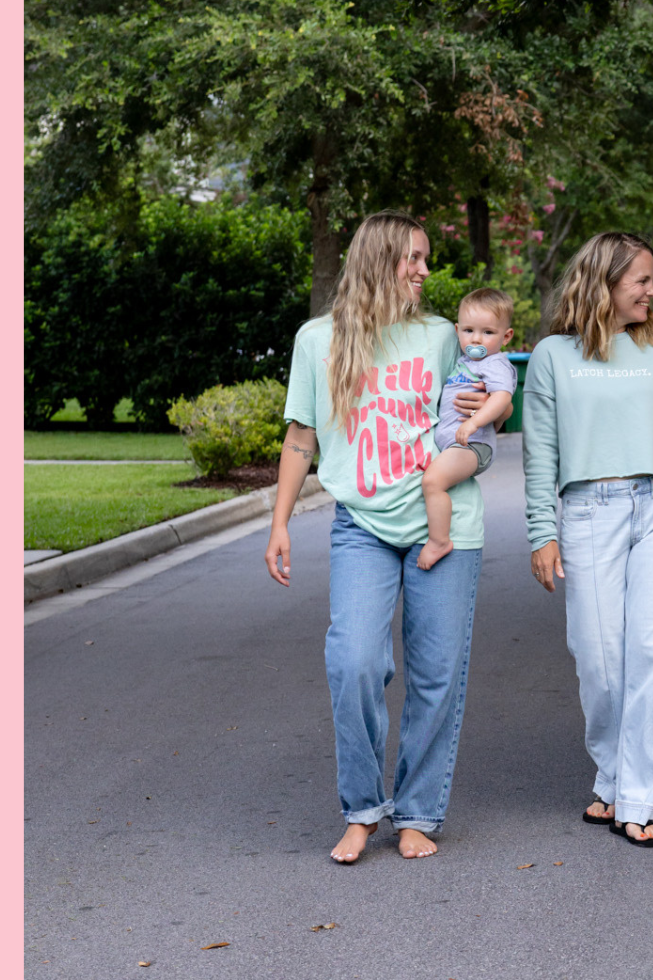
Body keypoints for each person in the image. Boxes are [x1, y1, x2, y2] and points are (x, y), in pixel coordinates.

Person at [264, 210, 504, 864]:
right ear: (380, 260)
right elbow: (300, 438)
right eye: (415, 259)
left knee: (436, 673)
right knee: (355, 661)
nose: (427, 271)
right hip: (362, 525)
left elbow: (481, 431)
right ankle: (363, 808)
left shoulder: (440, 339)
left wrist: (470, 434)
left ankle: (419, 812)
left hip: (445, 521)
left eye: (428, 258)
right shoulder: (319, 340)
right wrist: (280, 521)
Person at [522, 232, 653, 848]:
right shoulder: (553, 355)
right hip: (587, 511)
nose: (652, 291)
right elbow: (540, 451)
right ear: (603, 281)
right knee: (600, 659)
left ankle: (640, 799)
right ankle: (612, 777)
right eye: (641, 280)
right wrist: (541, 530)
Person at [418, 287, 517, 571]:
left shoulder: (495, 363)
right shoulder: (464, 361)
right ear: (457, 330)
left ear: (505, 336)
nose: (476, 339)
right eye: (469, 331)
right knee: (432, 480)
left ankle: (439, 540)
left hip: (473, 445)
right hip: (460, 444)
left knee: (432, 482)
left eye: (487, 332)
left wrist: (473, 422)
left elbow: (502, 398)